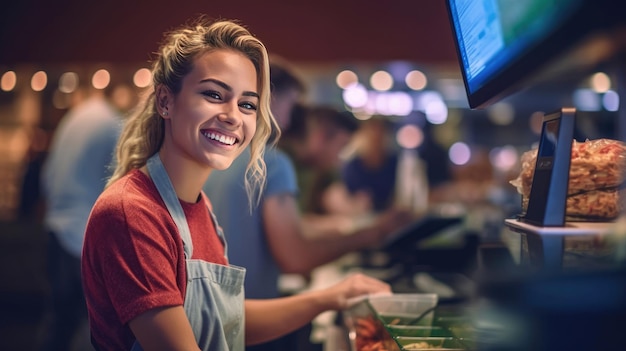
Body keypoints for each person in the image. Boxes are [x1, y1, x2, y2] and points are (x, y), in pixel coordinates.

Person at [80, 17, 392, 351]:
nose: (233, 115)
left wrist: (332, 297)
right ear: (165, 102)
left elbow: (224, 320)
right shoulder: (132, 213)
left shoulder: (199, 207)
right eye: (214, 94)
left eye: (247, 104)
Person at [203, 62, 411, 350]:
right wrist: (371, 234)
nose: (289, 121)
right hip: (250, 327)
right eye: (288, 106)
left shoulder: (215, 155)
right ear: (267, 100)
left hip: (208, 324)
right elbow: (296, 257)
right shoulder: (271, 162)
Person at [38, 86, 124, 351]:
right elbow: (122, 186)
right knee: (96, 327)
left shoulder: (73, 118)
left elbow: (47, 177)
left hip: (55, 232)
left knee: (60, 322)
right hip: (83, 238)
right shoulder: (113, 124)